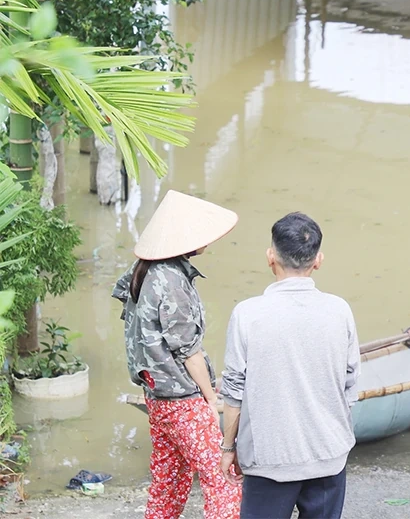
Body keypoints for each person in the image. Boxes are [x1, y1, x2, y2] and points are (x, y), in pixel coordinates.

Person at [218, 212, 360, 519]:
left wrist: (229, 447)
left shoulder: (248, 314)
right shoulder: (340, 310)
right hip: (328, 454)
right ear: (318, 260)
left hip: (270, 458)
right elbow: (351, 384)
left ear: (271, 257)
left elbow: (234, 391)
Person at [112, 190, 242, 519]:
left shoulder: (144, 270)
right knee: (223, 478)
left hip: (157, 396)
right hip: (182, 398)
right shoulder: (171, 280)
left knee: (169, 481)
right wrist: (211, 400)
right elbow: (189, 351)